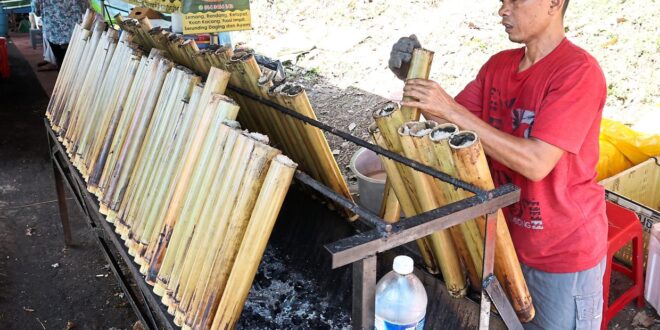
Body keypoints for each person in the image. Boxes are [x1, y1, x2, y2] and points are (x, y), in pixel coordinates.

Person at [389, 0, 607, 329]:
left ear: (554, 3)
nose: (503, 10)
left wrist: (449, 110)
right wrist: (415, 79)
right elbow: (452, 129)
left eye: (514, 1)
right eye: (502, 1)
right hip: (504, 240)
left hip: (561, 254)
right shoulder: (498, 66)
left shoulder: (578, 72)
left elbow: (536, 163)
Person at [32, 0, 88, 71]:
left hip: (52, 30)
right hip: (73, 30)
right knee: (74, 60)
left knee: (59, 59)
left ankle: (62, 74)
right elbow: (85, 8)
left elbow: (35, 9)